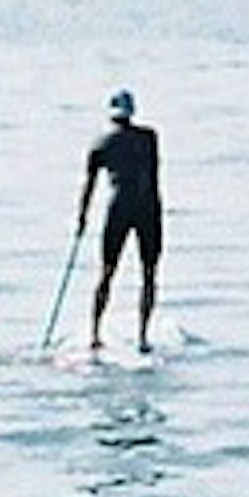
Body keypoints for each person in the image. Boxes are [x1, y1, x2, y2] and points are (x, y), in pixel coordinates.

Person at [77, 88, 164, 354]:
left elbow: (89, 186)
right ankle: (143, 336)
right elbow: (153, 175)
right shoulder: (149, 138)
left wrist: (82, 219)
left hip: (119, 210)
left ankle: (95, 334)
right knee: (148, 274)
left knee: (107, 272)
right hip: (148, 209)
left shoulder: (100, 143)